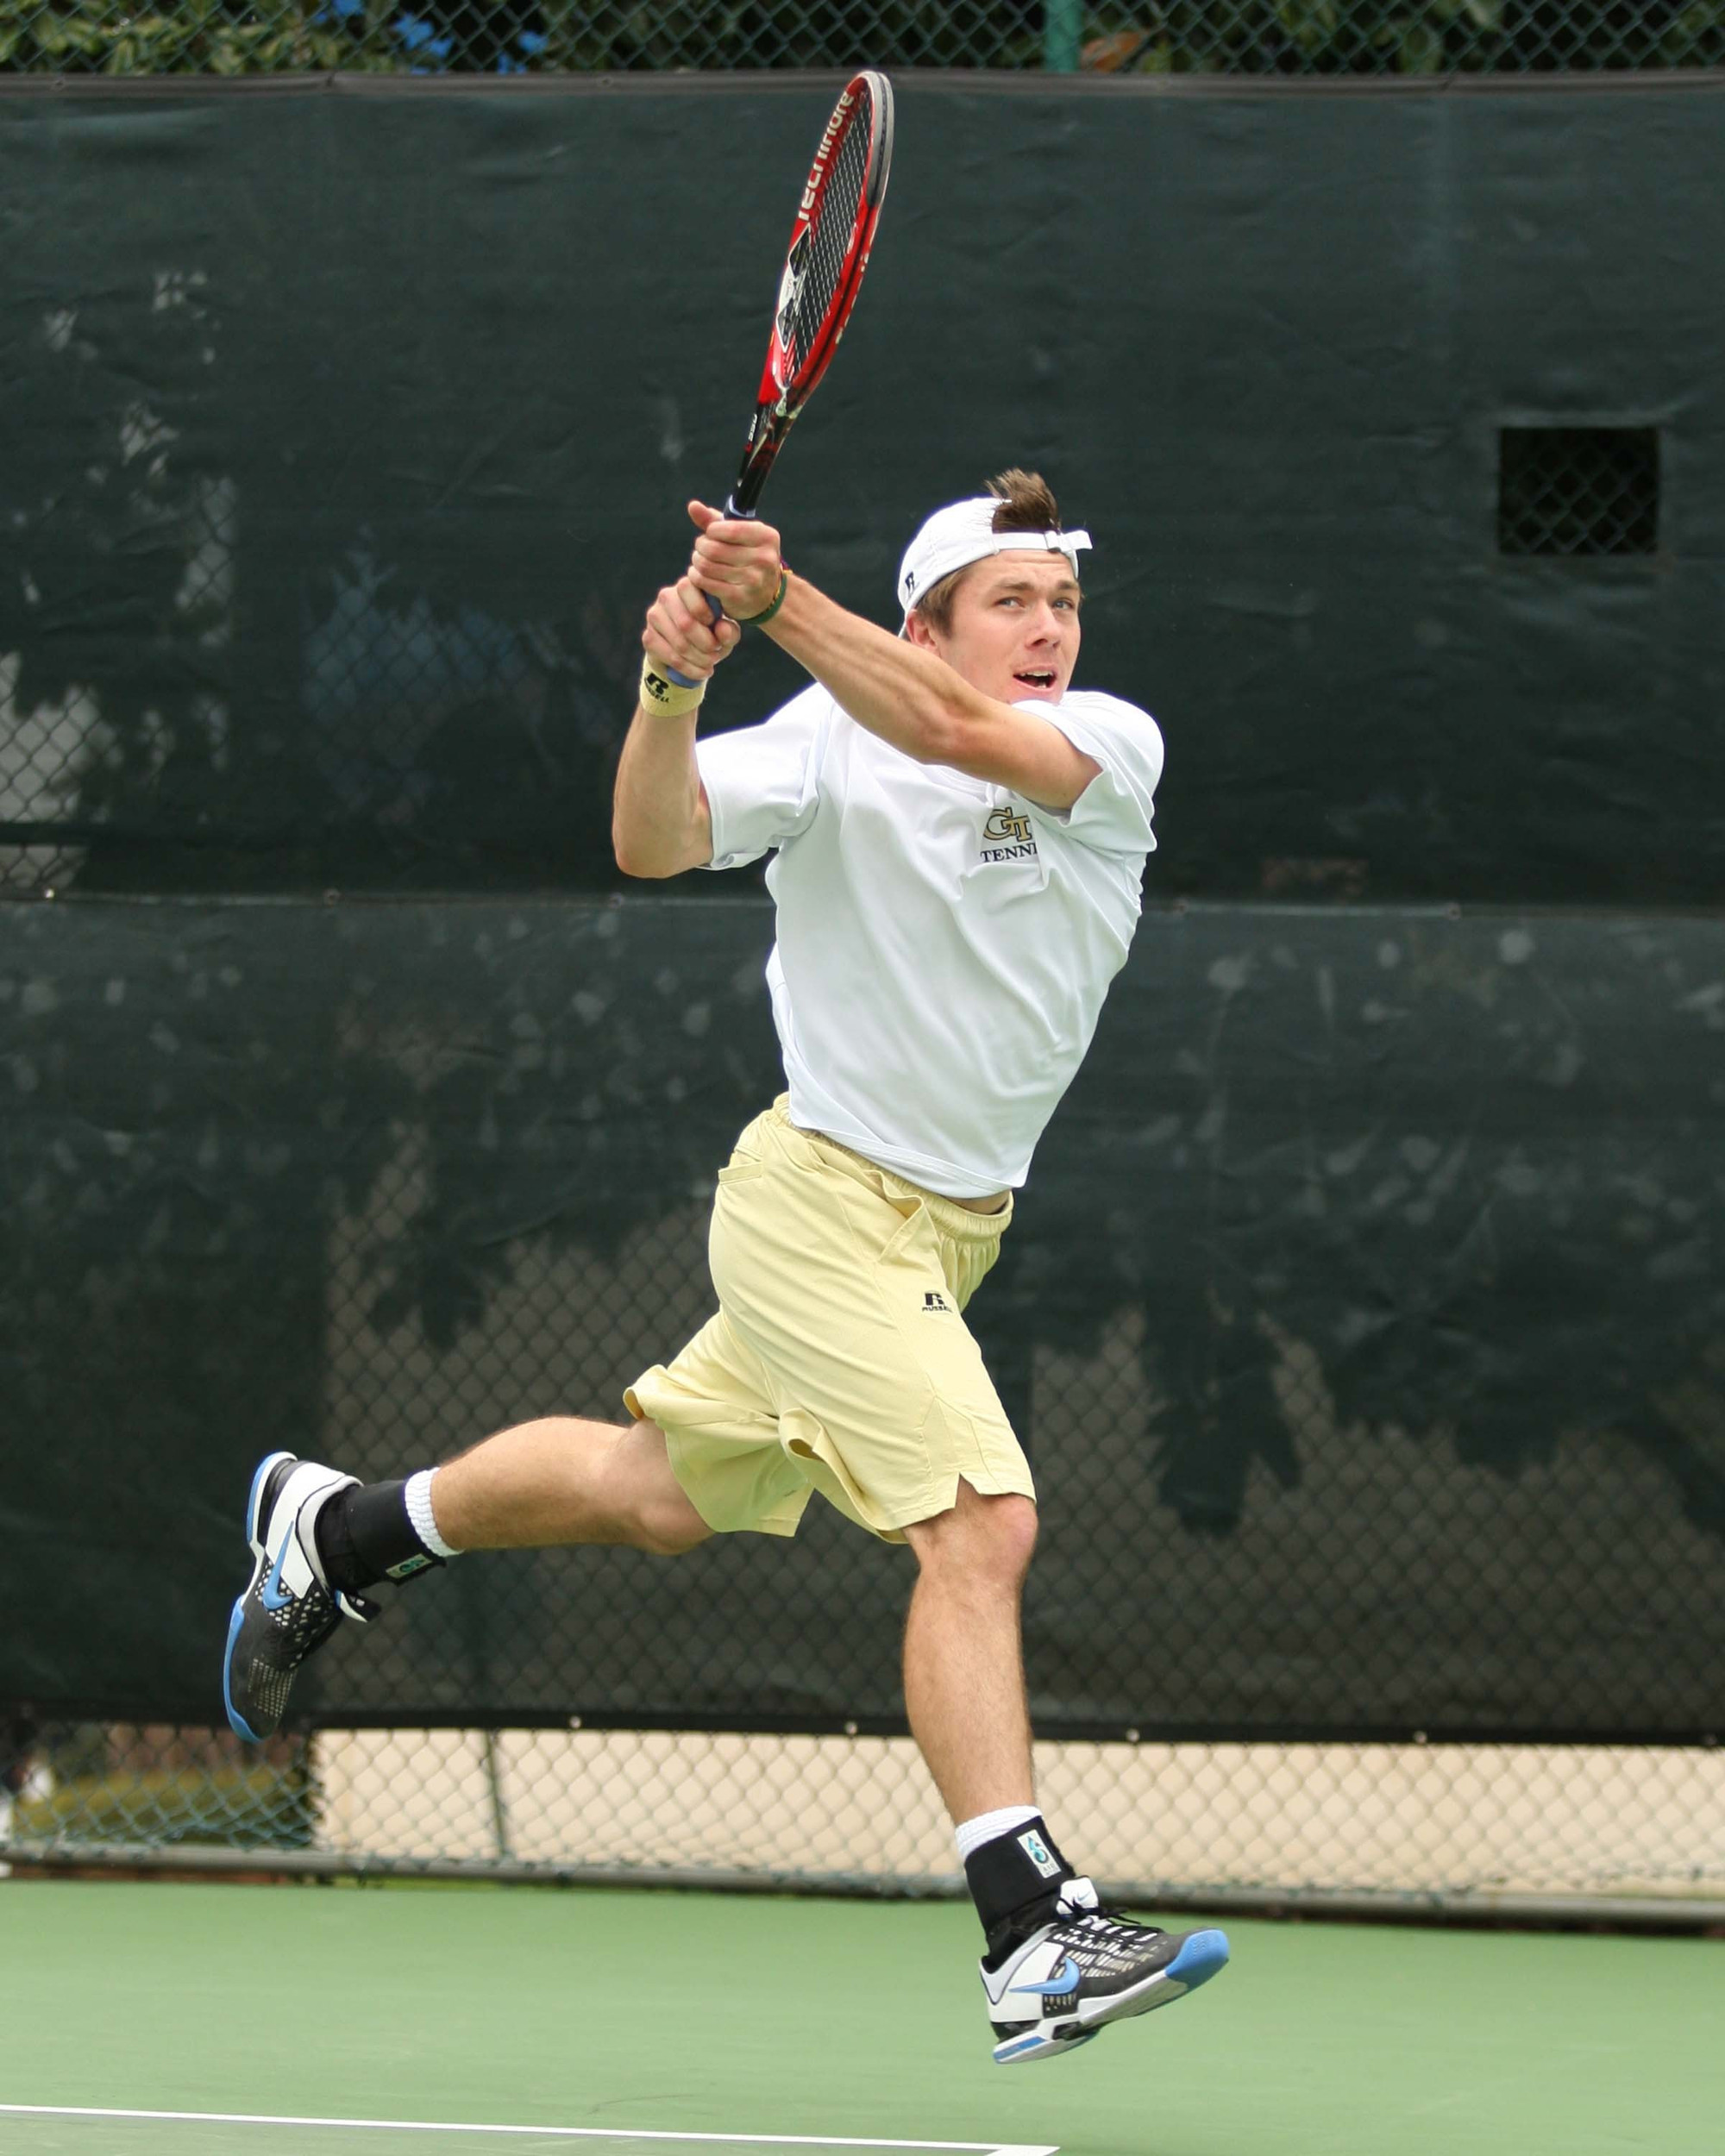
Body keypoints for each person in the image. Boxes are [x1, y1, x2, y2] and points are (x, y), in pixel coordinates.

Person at [223, 470, 1229, 2064]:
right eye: (1012, 603)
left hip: (950, 1229)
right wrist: (672, 687)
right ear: (929, 621)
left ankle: (341, 1530)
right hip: (817, 1200)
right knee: (982, 1524)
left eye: (1063, 605)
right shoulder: (826, 746)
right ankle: (1032, 1930)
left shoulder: (1107, 744)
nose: (1049, 631)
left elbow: (963, 740)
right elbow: (652, 836)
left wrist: (773, 606)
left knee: (654, 1492)